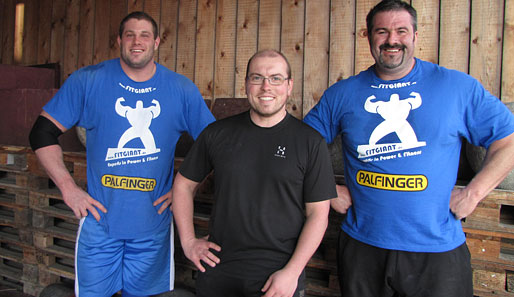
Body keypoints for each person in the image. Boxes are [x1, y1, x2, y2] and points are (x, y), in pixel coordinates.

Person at [303, 0, 514, 296]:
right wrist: (325, 189)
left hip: (437, 251)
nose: (392, 40)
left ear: (415, 35)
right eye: (382, 31)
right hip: (363, 247)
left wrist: (474, 192)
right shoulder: (343, 93)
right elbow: (299, 144)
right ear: (369, 36)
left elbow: (508, 139)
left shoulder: (456, 87)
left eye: (401, 31)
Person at [28, 11, 215, 297]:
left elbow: (215, 145)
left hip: (153, 228)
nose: (136, 41)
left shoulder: (180, 89)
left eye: (144, 35)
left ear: (156, 42)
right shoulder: (87, 81)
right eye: (129, 34)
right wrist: (68, 188)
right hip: (99, 225)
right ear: (118, 41)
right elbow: (41, 132)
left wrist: (185, 188)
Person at [172, 50, 337, 297]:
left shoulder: (310, 142)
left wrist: (292, 272)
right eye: (257, 77)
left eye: (276, 78)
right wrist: (188, 242)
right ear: (247, 84)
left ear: (289, 85)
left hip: (278, 277)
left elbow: (318, 215)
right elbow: (183, 185)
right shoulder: (217, 134)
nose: (265, 86)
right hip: (218, 271)